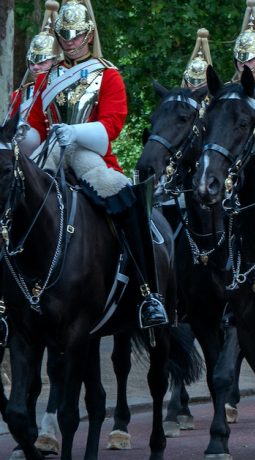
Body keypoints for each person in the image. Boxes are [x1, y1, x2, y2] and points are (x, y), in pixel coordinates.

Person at [26, 0, 167, 328]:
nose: (70, 41)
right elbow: (35, 127)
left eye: (76, 35)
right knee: (15, 191)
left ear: (89, 35)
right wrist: (19, 136)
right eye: (64, 35)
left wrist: (74, 130)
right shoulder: (47, 79)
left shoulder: (108, 74)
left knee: (123, 194)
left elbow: (112, 126)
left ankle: (148, 294)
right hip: (51, 152)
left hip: (89, 154)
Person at [4, 1, 60, 143]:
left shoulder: (63, 88)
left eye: (42, 62)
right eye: (32, 63)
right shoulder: (20, 94)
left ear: (55, 62)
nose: (35, 67)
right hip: (26, 148)